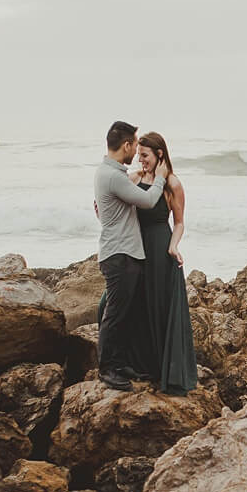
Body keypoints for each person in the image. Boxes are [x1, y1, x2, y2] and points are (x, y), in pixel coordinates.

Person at [93, 120, 167, 391]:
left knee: (125, 313)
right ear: (125, 145)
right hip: (120, 253)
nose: (136, 150)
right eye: (134, 144)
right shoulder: (112, 176)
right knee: (115, 313)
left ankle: (120, 362)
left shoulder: (112, 173)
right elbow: (147, 201)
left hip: (125, 251)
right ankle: (107, 369)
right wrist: (160, 177)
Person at [126, 131, 198, 395]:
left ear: (159, 154)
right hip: (135, 246)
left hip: (160, 247)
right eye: (138, 155)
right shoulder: (133, 178)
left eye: (144, 155)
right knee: (137, 304)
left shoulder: (173, 184)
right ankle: (140, 366)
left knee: (159, 306)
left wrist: (173, 245)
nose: (140, 160)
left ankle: (165, 371)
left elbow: (179, 223)